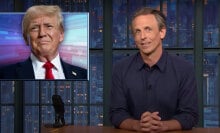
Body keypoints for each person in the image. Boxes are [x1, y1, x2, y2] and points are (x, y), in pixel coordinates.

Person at [109, 7, 198, 132]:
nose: (143, 37)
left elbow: (190, 116)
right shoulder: (120, 69)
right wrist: (137, 125)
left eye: (148, 29)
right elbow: (116, 113)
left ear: (162, 32)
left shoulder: (185, 69)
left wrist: (162, 126)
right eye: (137, 32)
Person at [0, 5, 87, 80]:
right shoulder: (5, 75)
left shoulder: (83, 75)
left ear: (61, 35)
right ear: (26, 38)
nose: (42, 33)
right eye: (34, 28)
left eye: (49, 26)